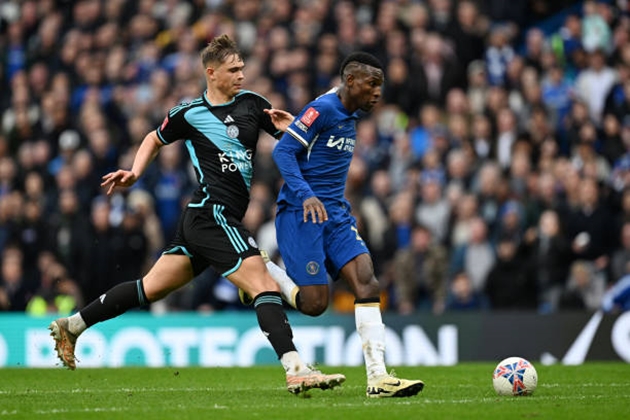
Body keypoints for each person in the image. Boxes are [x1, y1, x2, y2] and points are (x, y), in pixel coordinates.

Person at [48, 34, 345, 395]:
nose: (241, 75)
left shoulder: (253, 105)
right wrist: (136, 172)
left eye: (242, 68)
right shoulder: (189, 114)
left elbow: (298, 144)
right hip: (212, 213)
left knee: (148, 288)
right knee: (263, 285)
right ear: (211, 73)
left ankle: (73, 326)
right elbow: (153, 138)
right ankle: (295, 368)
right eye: (233, 70)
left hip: (206, 221)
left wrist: (293, 125)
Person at [248, 52, 424, 398]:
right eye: (371, 84)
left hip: (336, 214)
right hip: (302, 212)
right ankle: (262, 269)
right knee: (314, 304)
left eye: (380, 86)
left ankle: (378, 378)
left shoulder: (349, 110)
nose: (377, 92)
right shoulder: (324, 109)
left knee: (367, 281)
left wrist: (299, 127)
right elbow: (283, 152)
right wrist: (307, 194)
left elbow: (311, 139)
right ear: (350, 81)